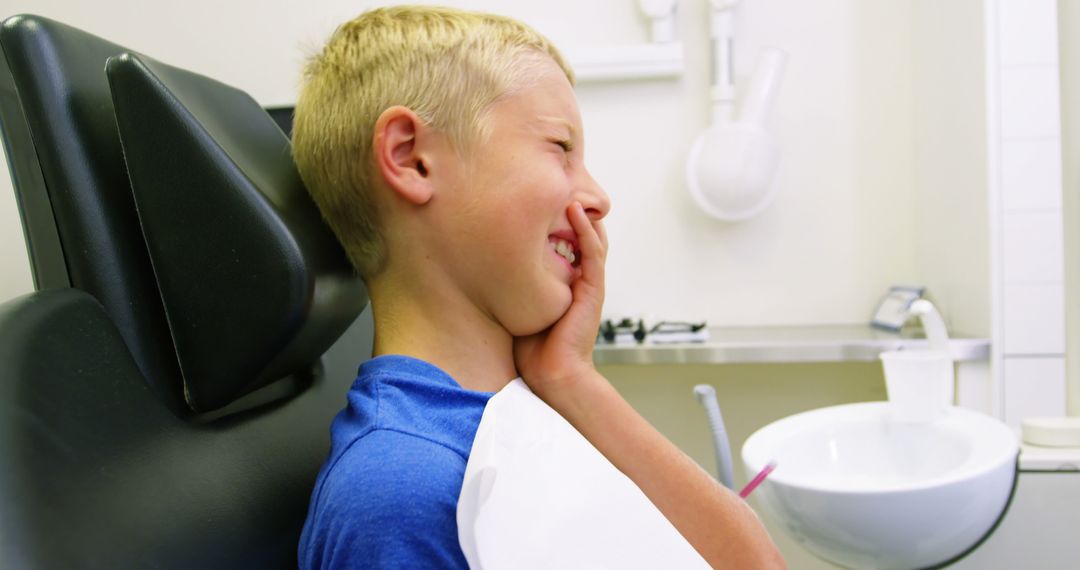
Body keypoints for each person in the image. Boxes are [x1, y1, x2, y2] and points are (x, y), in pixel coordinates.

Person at [293, 5, 785, 569]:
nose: (598, 196)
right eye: (560, 148)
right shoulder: (399, 491)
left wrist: (574, 379)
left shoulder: (530, 404)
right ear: (412, 158)